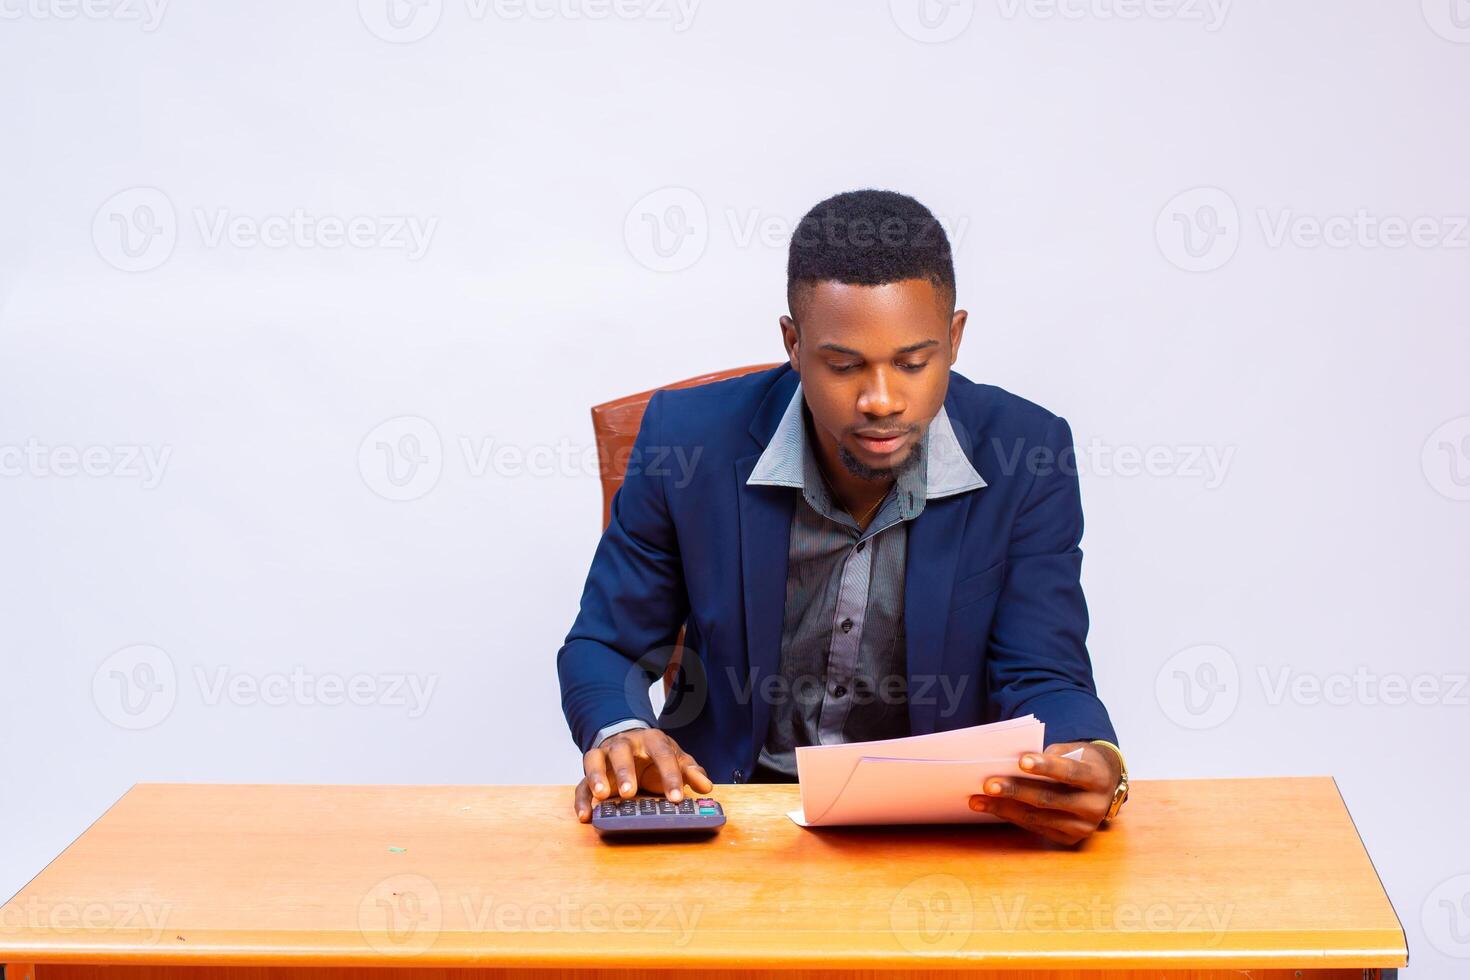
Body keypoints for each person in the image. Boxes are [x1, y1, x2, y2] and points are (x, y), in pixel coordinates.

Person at [557, 189, 1127, 845]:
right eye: (843, 365)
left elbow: (1044, 671)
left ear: (955, 338)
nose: (881, 400)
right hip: (734, 823)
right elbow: (607, 645)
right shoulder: (687, 443)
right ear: (794, 344)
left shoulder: (1028, 453)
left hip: (936, 832)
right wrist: (622, 730)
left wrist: (1091, 759)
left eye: (914, 362)